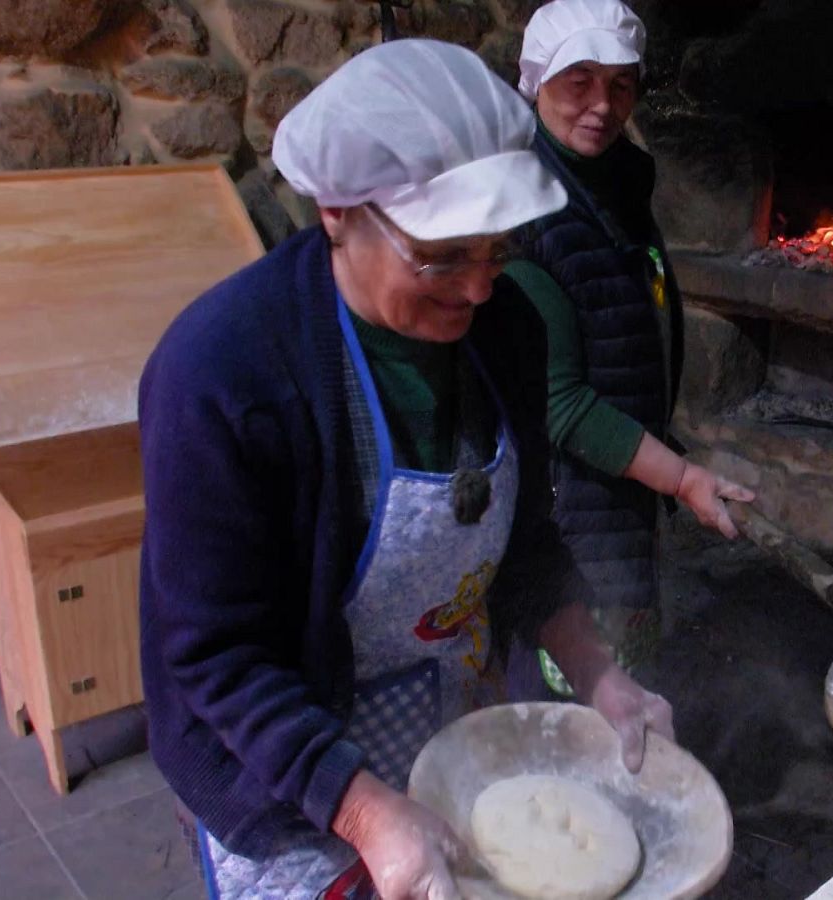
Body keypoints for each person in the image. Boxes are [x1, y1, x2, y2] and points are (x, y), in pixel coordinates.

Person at [138, 39, 673, 900]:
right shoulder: (222, 378)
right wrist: (362, 811)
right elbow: (217, 660)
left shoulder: (507, 329)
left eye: (496, 251)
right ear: (338, 213)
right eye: (441, 257)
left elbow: (524, 542)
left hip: (442, 719)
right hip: (279, 753)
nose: (475, 290)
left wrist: (597, 670)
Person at [506, 0, 755, 697]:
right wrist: (679, 476)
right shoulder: (529, 208)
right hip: (565, 504)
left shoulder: (614, 185)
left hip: (616, 493)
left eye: (619, 84)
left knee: (619, 679)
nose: (601, 105)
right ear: (536, 80)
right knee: (573, 685)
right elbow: (562, 405)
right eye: (577, 80)